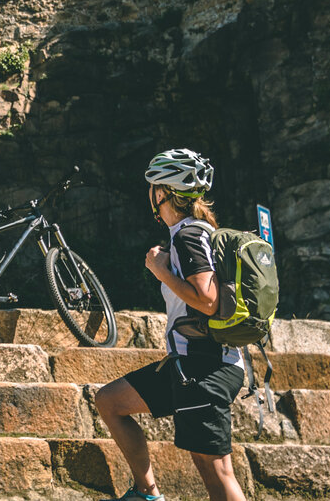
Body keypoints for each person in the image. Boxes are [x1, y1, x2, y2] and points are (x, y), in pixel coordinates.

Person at [92, 149, 247, 501]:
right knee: (110, 401)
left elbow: (206, 299)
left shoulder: (188, 235)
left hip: (204, 368)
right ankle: (147, 493)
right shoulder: (200, 231)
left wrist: (159, 268)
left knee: (217, 475)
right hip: (189, 365)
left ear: (162, 193)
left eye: (153, 187)